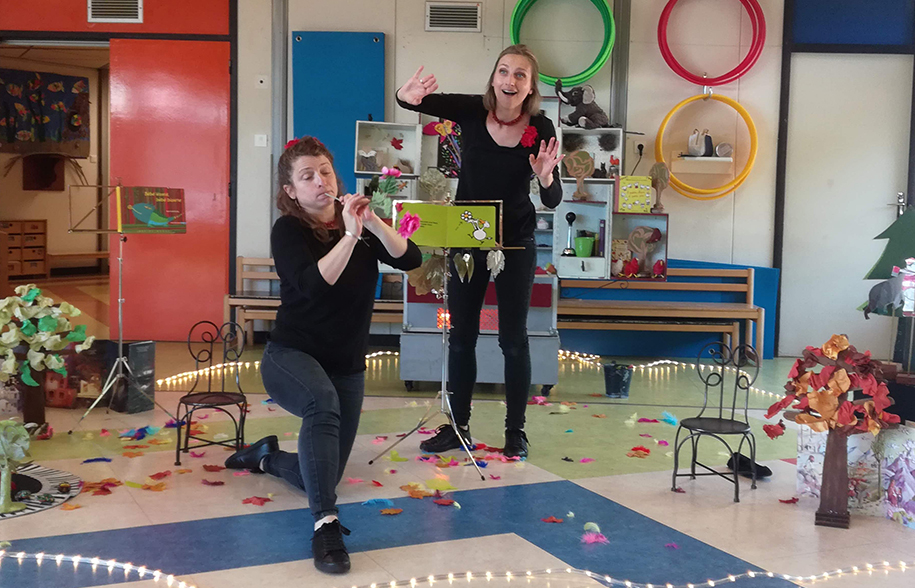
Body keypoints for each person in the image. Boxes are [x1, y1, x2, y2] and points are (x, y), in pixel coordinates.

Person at [225, 136, 422, 575]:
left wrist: (371, 223)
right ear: (291, 191)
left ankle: (264, 456)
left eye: (325, 172)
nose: (319, 182)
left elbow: (411, 259)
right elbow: (313, 285)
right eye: (307, 176)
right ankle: (325, 525)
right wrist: (351, 237)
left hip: (346, 363)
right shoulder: (288, 230)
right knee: (322, 403)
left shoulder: (359, 224)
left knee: (323, 475)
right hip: (289, 356)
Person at [396, 45, 564, 459]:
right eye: (503, 71)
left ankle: (515, 432)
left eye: (520, 75)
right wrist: (408, 92)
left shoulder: (542, 128)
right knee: (461, 338)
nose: (510, 80)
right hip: (468, 237)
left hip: (516, 242)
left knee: (513, 341)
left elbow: (555, 198)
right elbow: (410, 101)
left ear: (530, 87)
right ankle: (458, 426)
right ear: (493, 78)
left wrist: (544, 177)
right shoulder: (470, 111)